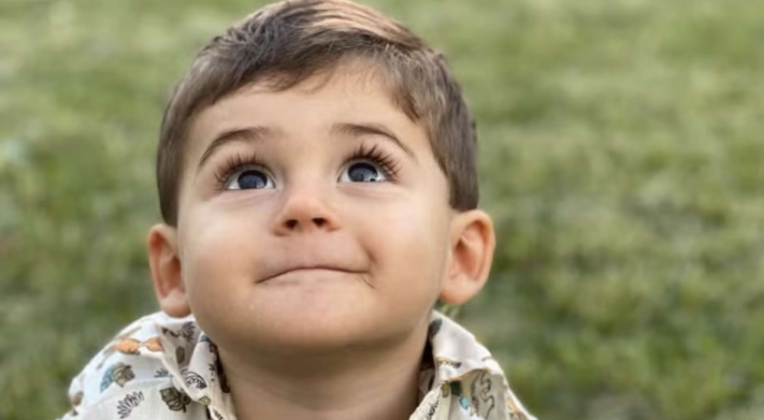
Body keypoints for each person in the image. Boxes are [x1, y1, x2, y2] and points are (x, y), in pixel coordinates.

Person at [58, 0, 536, 419]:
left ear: (459, 255)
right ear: (175, 267)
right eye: (248, 177)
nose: (305, 206)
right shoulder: (124, 401)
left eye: (364, 171)